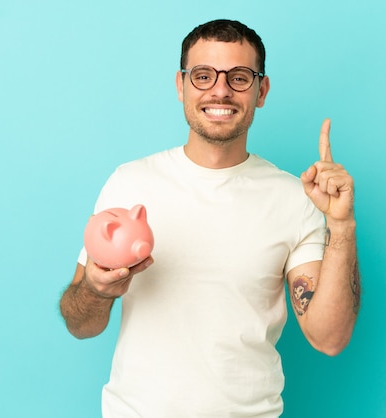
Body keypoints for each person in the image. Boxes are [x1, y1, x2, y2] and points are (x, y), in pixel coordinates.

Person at [60, 19, 360, 417]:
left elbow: (329, 338)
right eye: (203, 76)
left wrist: (341, 226)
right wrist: (97, 290)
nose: (220, 90)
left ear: (261, 90)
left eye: (239, 77)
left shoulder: (295, 197)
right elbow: (81, 325)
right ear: (181, 86)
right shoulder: (130, 182)